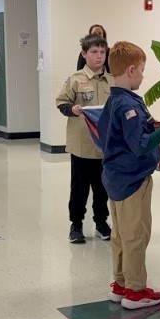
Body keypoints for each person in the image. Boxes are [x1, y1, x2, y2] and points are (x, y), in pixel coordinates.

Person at [97, 41, 160, 310]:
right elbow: (142, 144)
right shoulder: (128, 106)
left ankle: (120, 283)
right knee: (136, 234)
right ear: (132, 70)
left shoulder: (112, 102)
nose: (144, 76)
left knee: (120, 234)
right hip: (133, 179)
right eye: (143, 70)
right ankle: (135, 291)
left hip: (113, 177)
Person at [56, 33, 112, 243]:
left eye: (102, 52)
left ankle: (101, 222)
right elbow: (61, 103)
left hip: (104, 146)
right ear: (84, 54)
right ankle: (76, 225)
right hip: (82, 145)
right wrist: (73, 109)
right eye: (94, 52)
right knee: (79, 189)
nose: (99, 56)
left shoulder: (112, 80)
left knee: (102, 188)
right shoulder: (76, 80)